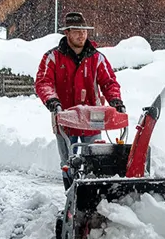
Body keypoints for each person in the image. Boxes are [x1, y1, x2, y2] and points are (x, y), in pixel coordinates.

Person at [34, 12, 125, 189]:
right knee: (69, 161)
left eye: (84, 31)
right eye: (76, 31)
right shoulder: (52, 57)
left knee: (94, 159)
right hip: (65, 118)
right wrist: (53, 101)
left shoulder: (97, 58)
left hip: (93, 119)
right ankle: (71, 194)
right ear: (67, 32)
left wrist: (115, 101)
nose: (81, 35)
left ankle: (91, 195)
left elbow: (109, 82)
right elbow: (43, 82)